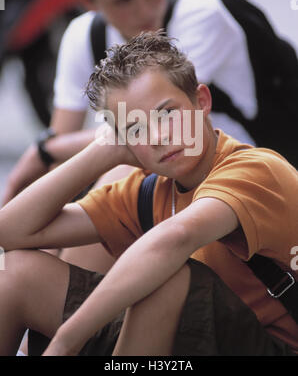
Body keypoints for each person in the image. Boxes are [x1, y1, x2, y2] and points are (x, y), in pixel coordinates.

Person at [2, 0, 298, 272]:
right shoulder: (83, 34)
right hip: (167, 170)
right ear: (87, 0)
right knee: (27, 254)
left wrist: (43, 150)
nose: (145, 10)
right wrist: (40, 161)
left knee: (116, 176)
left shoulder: (201, 12)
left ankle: (80, 312)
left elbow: (156, 130)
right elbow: (65, 153)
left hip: (240, 173)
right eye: (123, 0)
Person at [0, 31, 297, 356]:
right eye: (136, 128)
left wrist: (64, 343)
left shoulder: (254, 170)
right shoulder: (148, 193)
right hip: (184, 342)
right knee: (14, 271)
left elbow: (175, 239)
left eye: (167, 113)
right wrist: (102, 152)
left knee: (166, 275)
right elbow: (10, 234)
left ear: (201, 101)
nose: (157, 136)